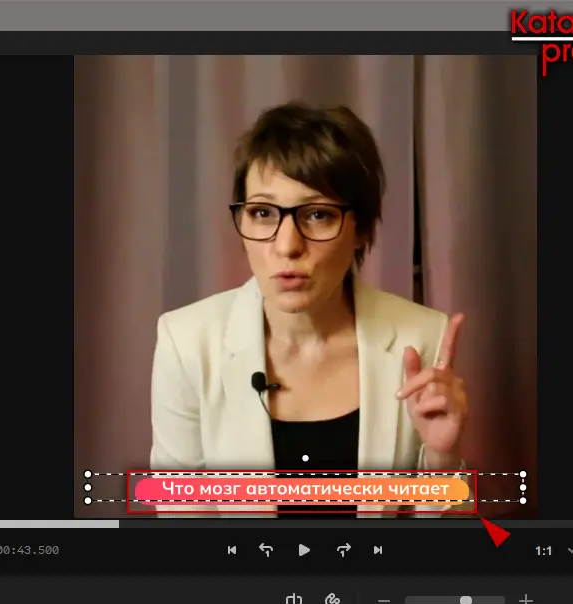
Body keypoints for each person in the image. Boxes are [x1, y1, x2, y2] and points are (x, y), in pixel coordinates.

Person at [149, 102, 469, 517]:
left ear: (361, 229)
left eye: (317, 214)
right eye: (262, 213)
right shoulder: (187, 343)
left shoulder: (422, 340)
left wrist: (443, 459)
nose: (287, 246)